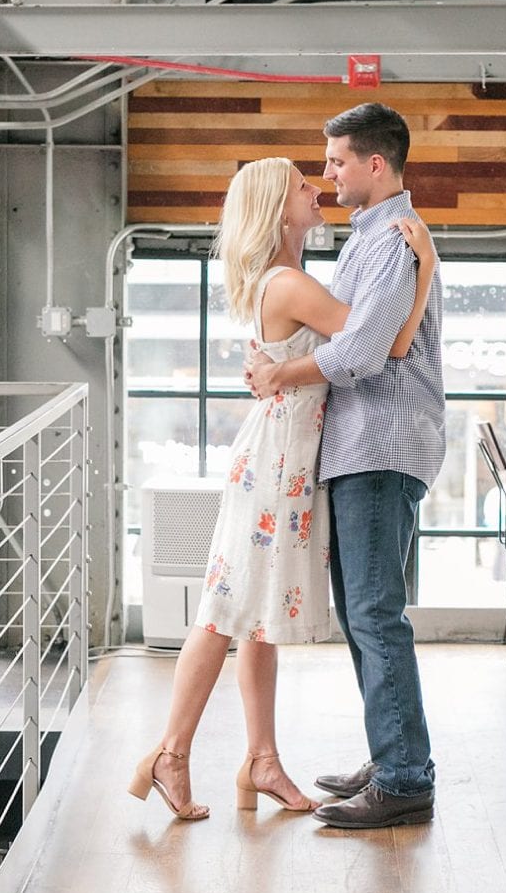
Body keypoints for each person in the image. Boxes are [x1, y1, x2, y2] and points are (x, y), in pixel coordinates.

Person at [129, 155, 437, 820]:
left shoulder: (291, 280)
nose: (317, 189)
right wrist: (427, 272)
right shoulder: (290, 284)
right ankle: (170, 755)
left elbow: (359, 343)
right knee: (225, 608)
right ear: (278, 207)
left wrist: (283, 371)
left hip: (284, 459)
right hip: (275, 464)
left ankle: (261, 759)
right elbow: (380, 344)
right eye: (304, 186)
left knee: (253, 615)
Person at [245, 102, 446, 830]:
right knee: (366, 615)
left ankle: (403, 777)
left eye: (334, 161)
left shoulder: (392, 243)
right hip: (361, 447)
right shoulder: (370, 242)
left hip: (381, 445)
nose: (326, 173)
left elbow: (362, 355)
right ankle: (395, 759)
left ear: (374, 164)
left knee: (373, 613)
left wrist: (281, 373)